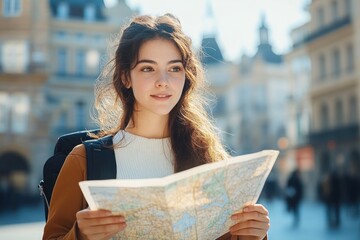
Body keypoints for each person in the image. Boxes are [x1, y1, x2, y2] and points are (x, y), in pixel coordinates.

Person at [43, 13, 270, 240]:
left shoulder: (210, 160)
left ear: (185, 77)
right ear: (125, 77)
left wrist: (253, 234)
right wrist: (79, 235)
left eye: (174, 68)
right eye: (147, 68)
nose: (163, 81)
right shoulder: (83, 160)